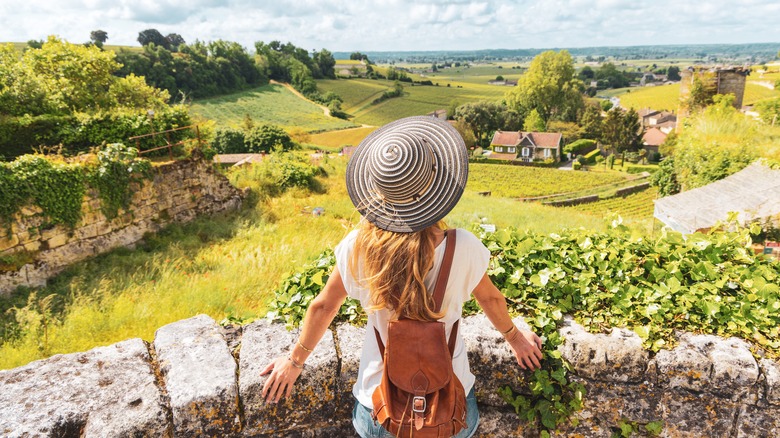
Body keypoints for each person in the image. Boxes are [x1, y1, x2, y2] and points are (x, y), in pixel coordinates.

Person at [261, 116, 544, 437]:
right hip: (449, 405)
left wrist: (294, 362)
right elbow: (490, 298)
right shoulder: (462, 245)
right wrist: (516, 339)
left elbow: (324, 307)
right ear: (435, 184)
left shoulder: (357, 247)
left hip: (379, 405)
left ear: (378, 189)